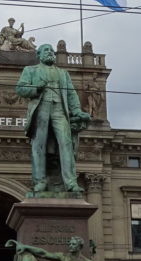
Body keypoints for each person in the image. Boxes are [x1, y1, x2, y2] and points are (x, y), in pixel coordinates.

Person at [15, 43, 90, 194]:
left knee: (66, 144)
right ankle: (40, 182)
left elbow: (71, 94)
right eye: (46, 50)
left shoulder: (63, 73)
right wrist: (36, 88)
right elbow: (20, 88)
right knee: (39, 146)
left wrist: (76, 110)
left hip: (59, 110)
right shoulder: (30, 70)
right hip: (41, 109)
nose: (50, 53)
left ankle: (70, 182)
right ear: (39, 55)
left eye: (51, 51)